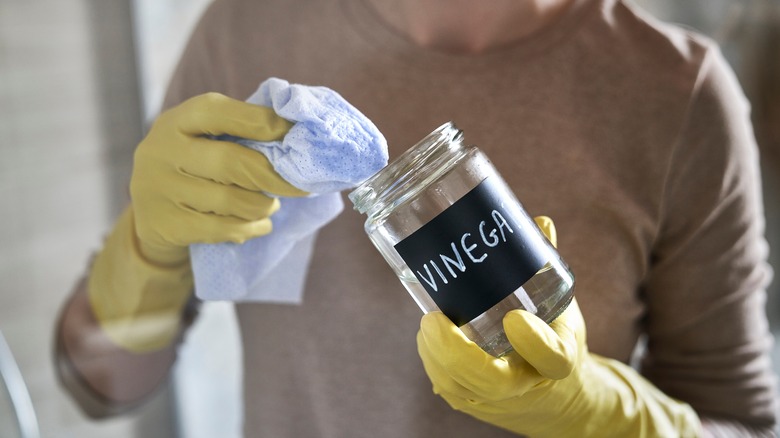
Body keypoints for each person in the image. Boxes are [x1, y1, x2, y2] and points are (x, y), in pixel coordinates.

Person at [55, 0, 779, 436]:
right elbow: (100, 383)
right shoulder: (246, 30)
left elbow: (743, 423)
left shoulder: (675, 94)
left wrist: (593, 413)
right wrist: (145, 249)